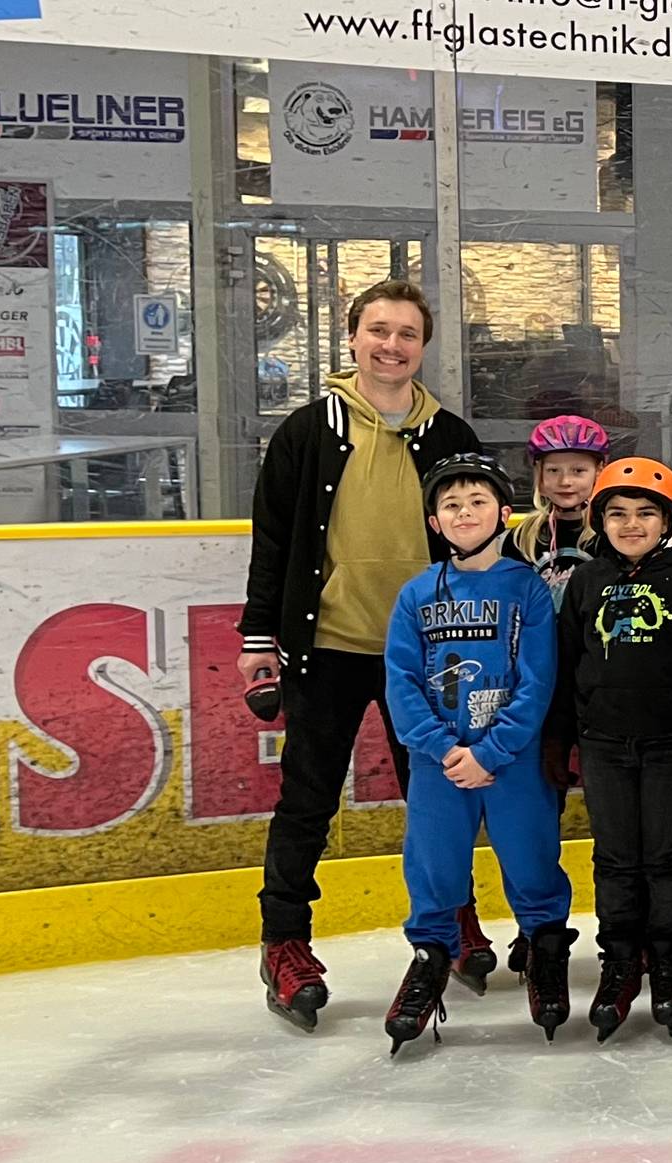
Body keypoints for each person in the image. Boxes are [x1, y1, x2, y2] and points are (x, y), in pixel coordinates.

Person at [247, 279, 485, 1031]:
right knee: (308, 799)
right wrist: (260, 640)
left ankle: (453, 919)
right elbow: (274, 542)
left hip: (429, 655)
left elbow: (476, 544)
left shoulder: (451, 436)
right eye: (378, 330)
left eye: (407, 333)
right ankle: (284, 940)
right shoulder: (305, 432)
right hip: (328, 648)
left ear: (423, 346)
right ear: (351, 338)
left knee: (439, 800)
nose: (391, 345)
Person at [376, 454, 573, 1054]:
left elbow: (539, 680)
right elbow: (401, 681)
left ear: (504, 514)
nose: (465, 513)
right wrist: (441, 748)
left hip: (511, 760)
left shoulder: (528, 590)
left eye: (478, 502)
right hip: (440, 765)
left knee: (532, 860)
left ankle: (544, 949)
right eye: (452, 505)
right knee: (434, 865)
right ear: (435, 522)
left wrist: (493, 750)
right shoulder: (416, 595)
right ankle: (431, 956)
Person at [548, 457, 672, 1044]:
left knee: (670, 859)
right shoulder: (587, 580)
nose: (630, 524)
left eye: (645, 513)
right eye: (617, 513)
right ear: (599, 519)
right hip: (604, 745)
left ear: (668, 520)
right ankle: (621, 959)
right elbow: (567, 663)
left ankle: (669, 961)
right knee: (617, 858)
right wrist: (561, 742)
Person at [511, 414, 612, 602]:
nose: (565, 481)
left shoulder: (611, 534)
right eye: (553, 470)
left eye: (578, 471)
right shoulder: (520, 538)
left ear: (599, 472)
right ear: (539, 473)